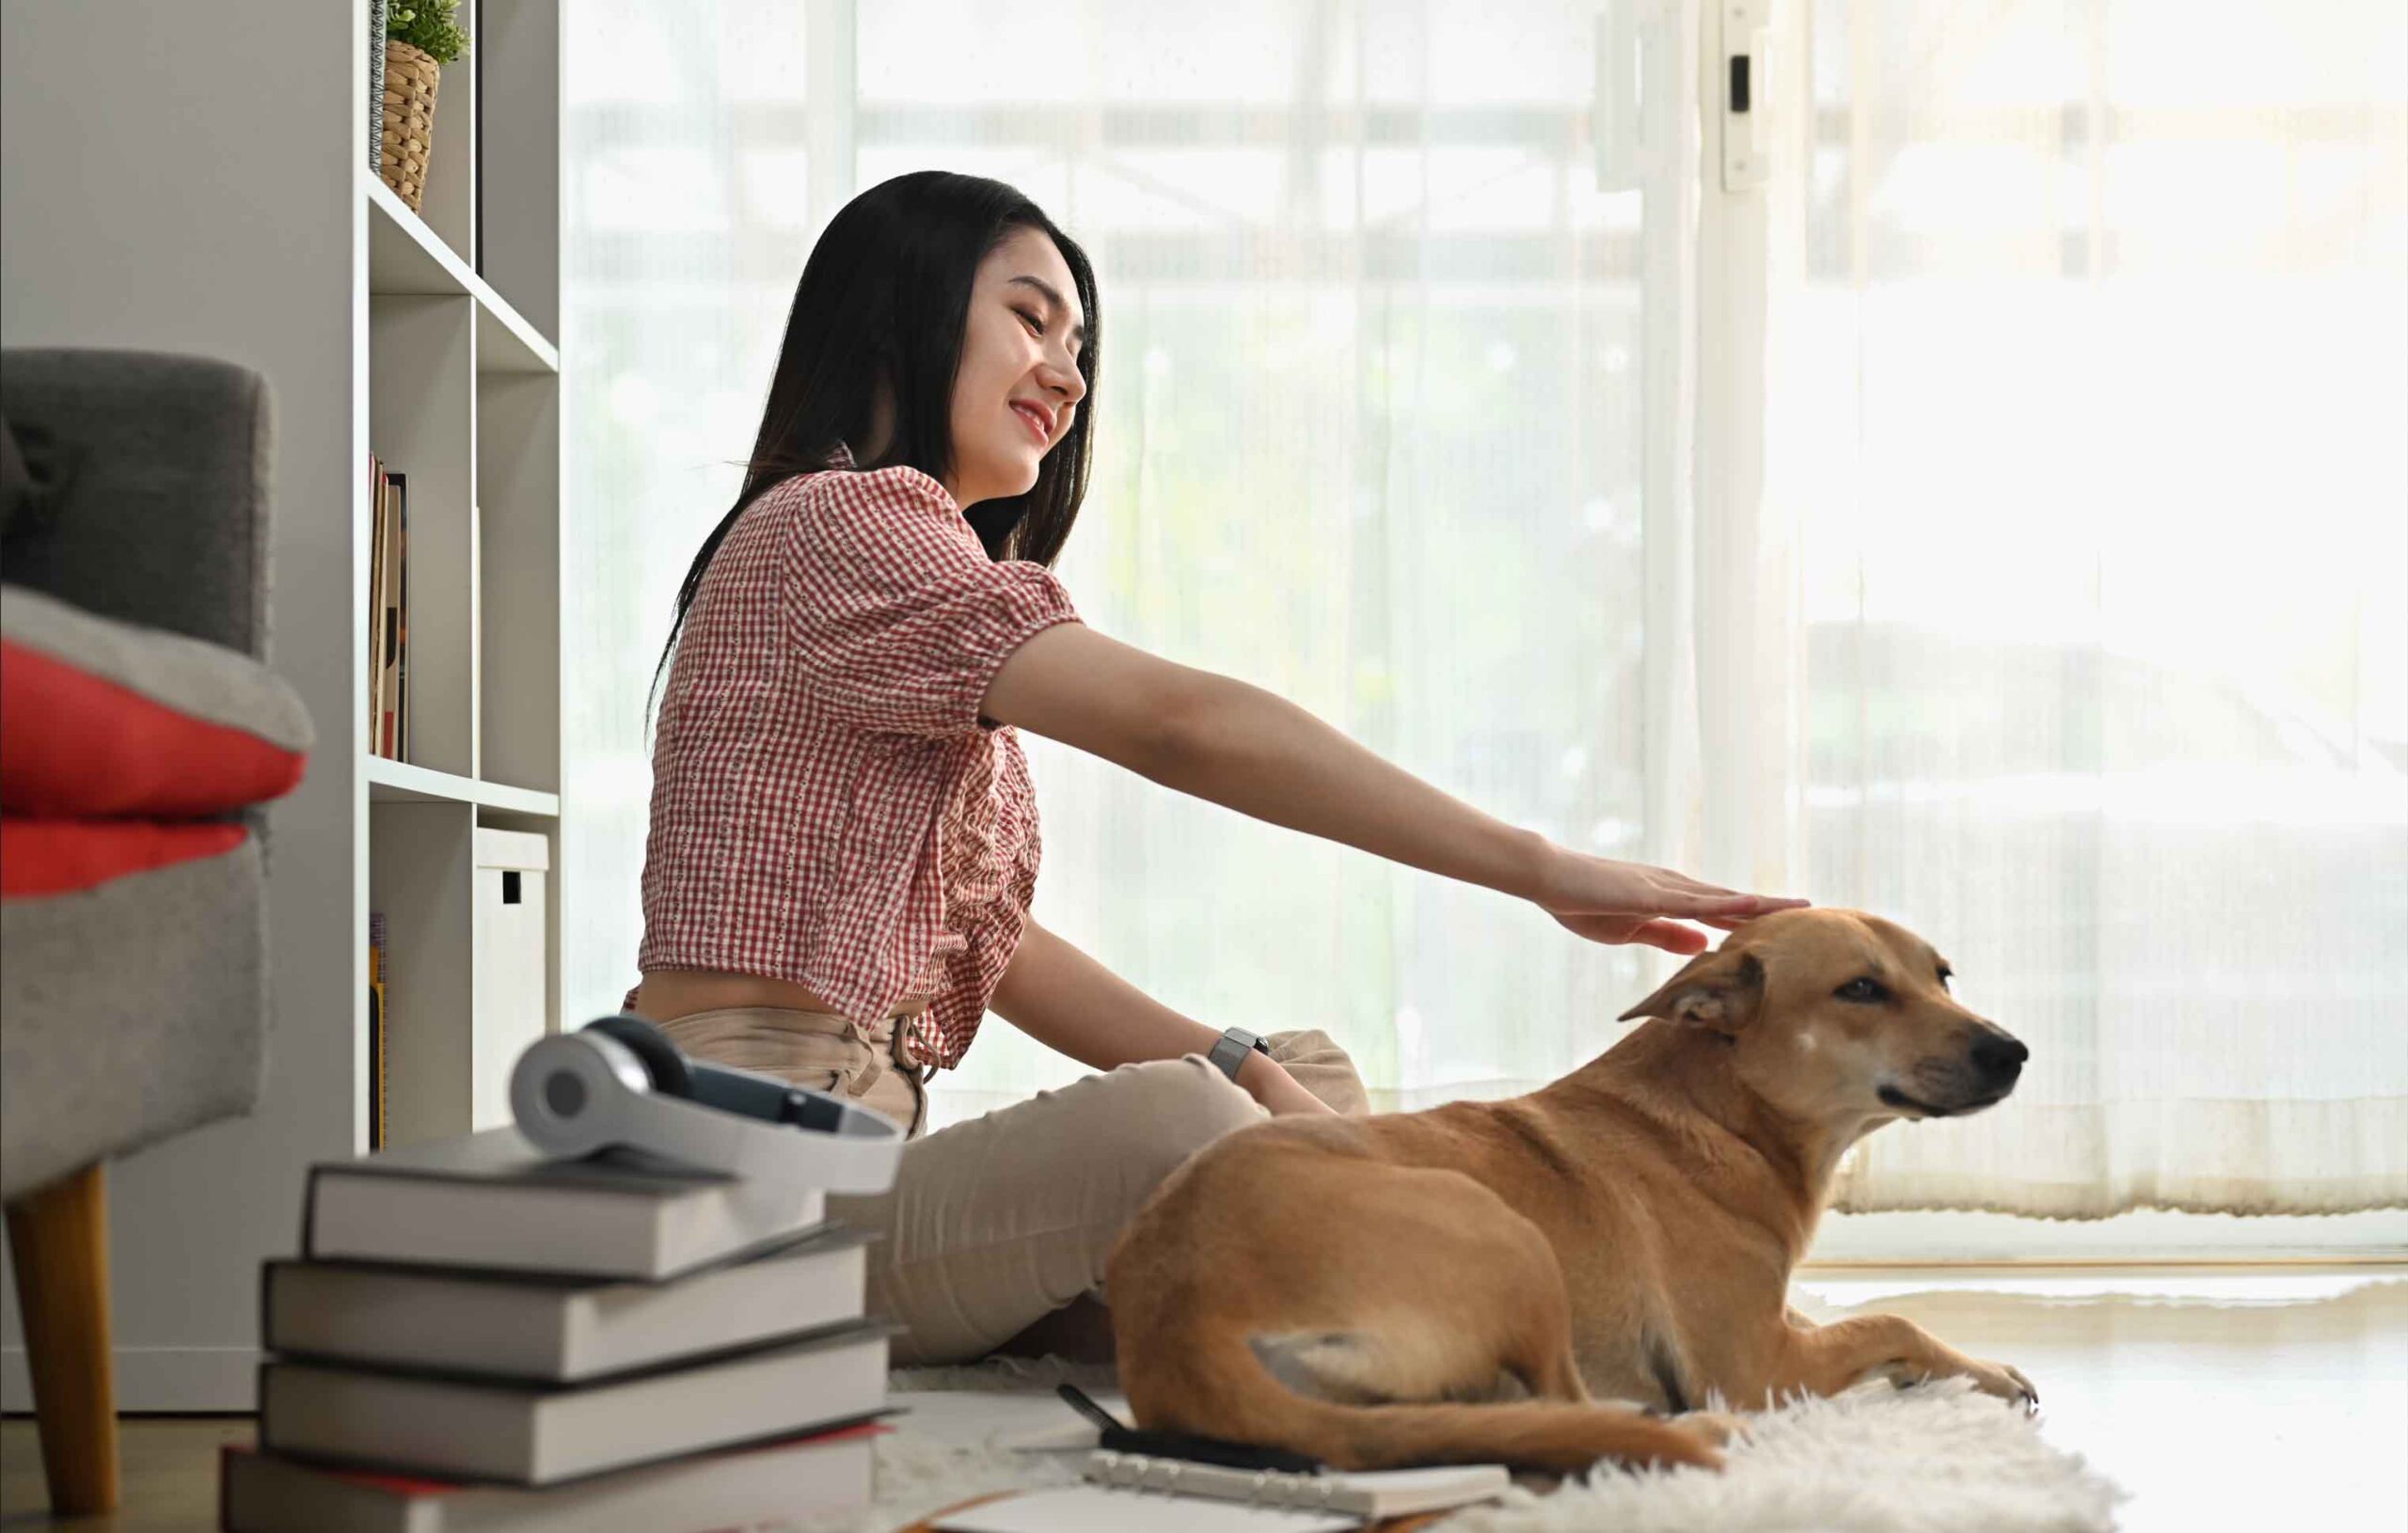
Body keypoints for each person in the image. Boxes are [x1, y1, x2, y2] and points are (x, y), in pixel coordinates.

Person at [623, 170, 1804, 1366]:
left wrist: (1241, 1062)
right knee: (1188, 1120)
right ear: (899, 311)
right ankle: (1463, 1312)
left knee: (1296, 1072)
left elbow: (998, 943)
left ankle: (1293, 1308)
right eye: (1031, 319)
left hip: (867, 1145)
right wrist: (1540, 867)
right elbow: (1185, 725)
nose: (1070, 376)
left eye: (1079, 344)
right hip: (762, 1204)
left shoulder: (898, 578)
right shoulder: (838, 523)